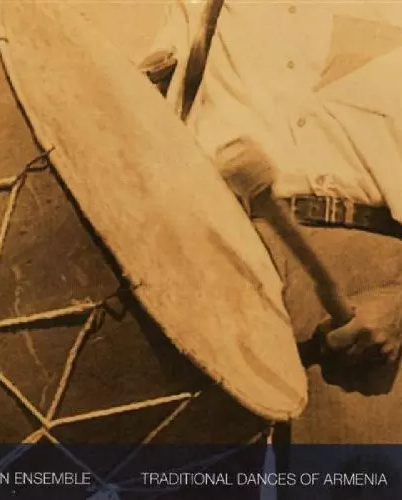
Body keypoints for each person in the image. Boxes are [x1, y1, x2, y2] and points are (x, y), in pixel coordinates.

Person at [141, 1, 402, 445]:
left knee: (354, 475)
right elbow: (139, 120)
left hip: (368, 295)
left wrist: (398, 307)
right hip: (223, 266)